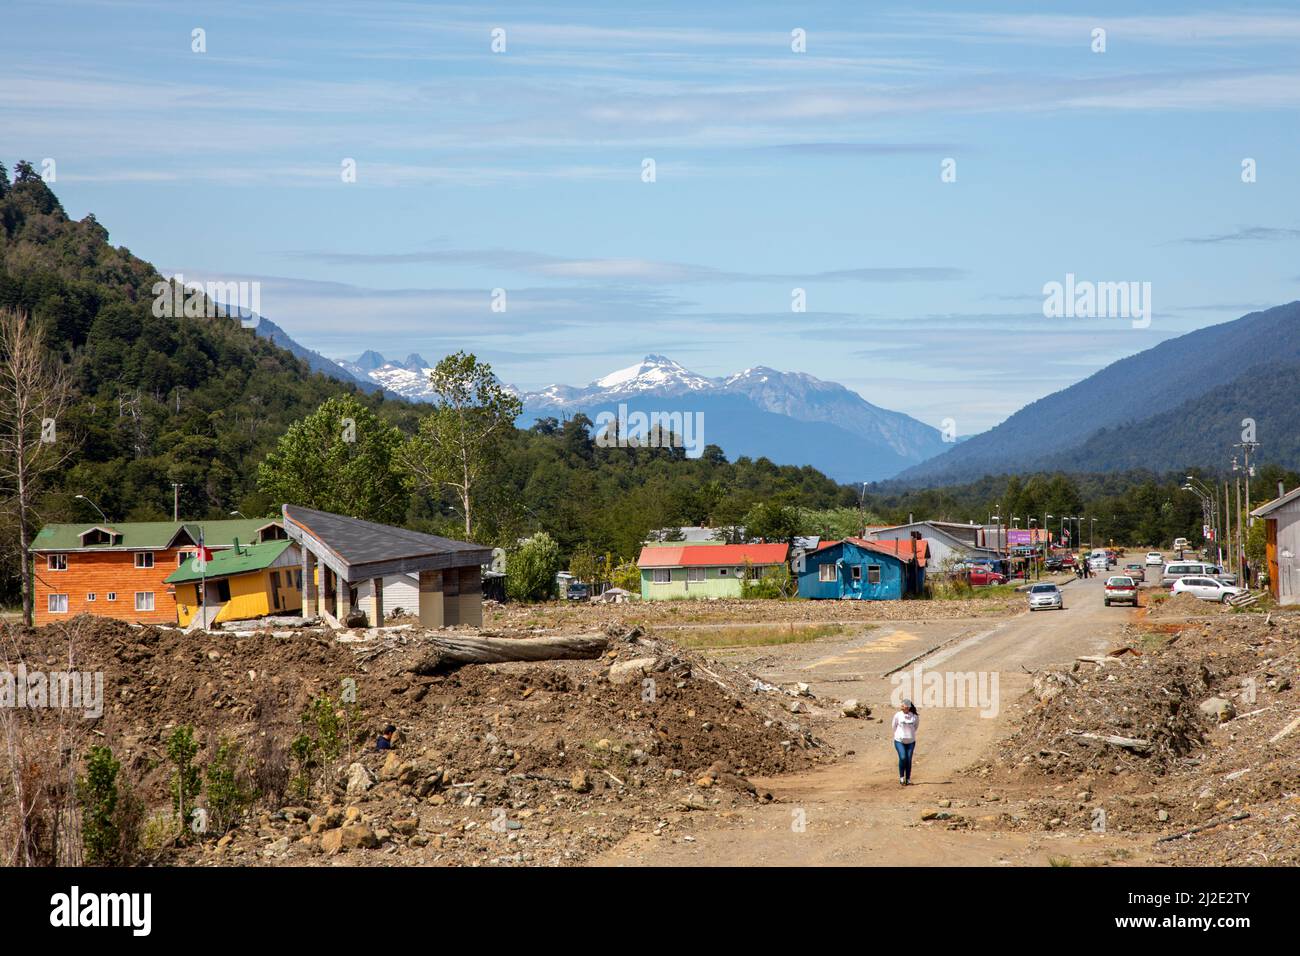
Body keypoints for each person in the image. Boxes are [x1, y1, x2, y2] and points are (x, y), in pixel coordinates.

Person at [892, 698, 919, 785]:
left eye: (903, 705)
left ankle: (908, 779)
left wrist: (909, 735)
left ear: (907, 707)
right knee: (903, 757)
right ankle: (901, 777)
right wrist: (899, 735)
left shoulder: (914, 716)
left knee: (908, 759)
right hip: (899, 741)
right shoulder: (897, 715)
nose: (901, 706)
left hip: (911, 741)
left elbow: (915, 727)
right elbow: (894, 726)